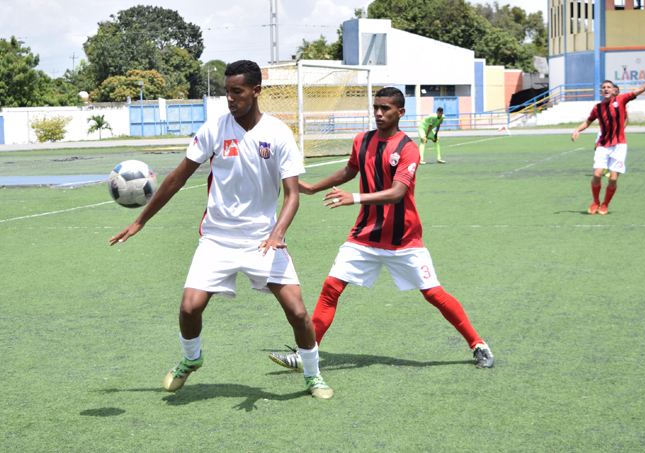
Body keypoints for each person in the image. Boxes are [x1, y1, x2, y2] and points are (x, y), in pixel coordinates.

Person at [108, 60, 333, 399]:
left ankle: (313, 376)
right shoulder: (214, 128)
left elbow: (292, 195)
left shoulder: (279, 133)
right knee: (189, 308)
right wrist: (141, 220)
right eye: (227, 92)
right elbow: (177, 177)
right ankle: (191, 359)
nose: (230, 98)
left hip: (264, 240)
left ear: (256, 91)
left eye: (237, 91)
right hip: (217, 238)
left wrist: (277, 233)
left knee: (298, 312)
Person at [268, 87, 494, 372]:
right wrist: (312, 188)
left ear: (400, 112)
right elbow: (351, 170)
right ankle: (306, 354)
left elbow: (398, 193)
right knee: (331, 288)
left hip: (404, 240)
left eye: (385, 108)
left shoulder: (408, 149)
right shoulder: (362, 140)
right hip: (365, 236)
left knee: (434, 294)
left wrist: (355, 198)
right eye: (375, 107)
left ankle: (478, 344)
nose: (378, 113)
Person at [571, 69, 645, 215]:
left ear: (614, 91)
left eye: (608, 87)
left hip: (619, 145)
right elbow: (588, 121)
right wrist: (577, 130)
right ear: (601, 91)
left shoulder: (621, 100)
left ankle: (605, 204)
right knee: (597, 175)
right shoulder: (597, 107)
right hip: (603, 145)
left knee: (613, 178)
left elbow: (641, 89)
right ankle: (595, 202)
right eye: (603, 87)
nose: (606, 89)